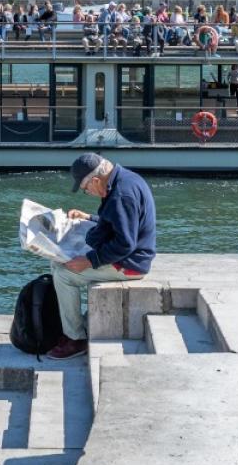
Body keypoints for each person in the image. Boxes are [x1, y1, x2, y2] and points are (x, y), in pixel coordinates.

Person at [48, 153, 157, 361]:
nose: (87, 193)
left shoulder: (120, 196)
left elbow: (125, 244)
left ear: (96, 180)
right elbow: (121, 222)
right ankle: (74, 326)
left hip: (130, 264)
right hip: (131, 255)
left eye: (86, 188)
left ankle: (76, 339)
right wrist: (89, 217)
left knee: (63, 275)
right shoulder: (125, 179)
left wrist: (90, 260)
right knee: (56, 263)